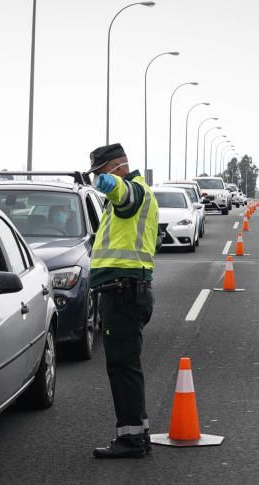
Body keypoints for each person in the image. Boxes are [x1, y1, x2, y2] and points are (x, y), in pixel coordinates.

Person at [87, 143, 160, 459]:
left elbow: (121, 192)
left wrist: (106, 182)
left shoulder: (134, 192)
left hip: (123, 291)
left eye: (100, 171)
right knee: (126, 365)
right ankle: (138, 433)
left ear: (117, 167)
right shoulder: (136, 195)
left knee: (123, 366)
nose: (98, 178)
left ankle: (131, 440)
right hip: (126, 290)